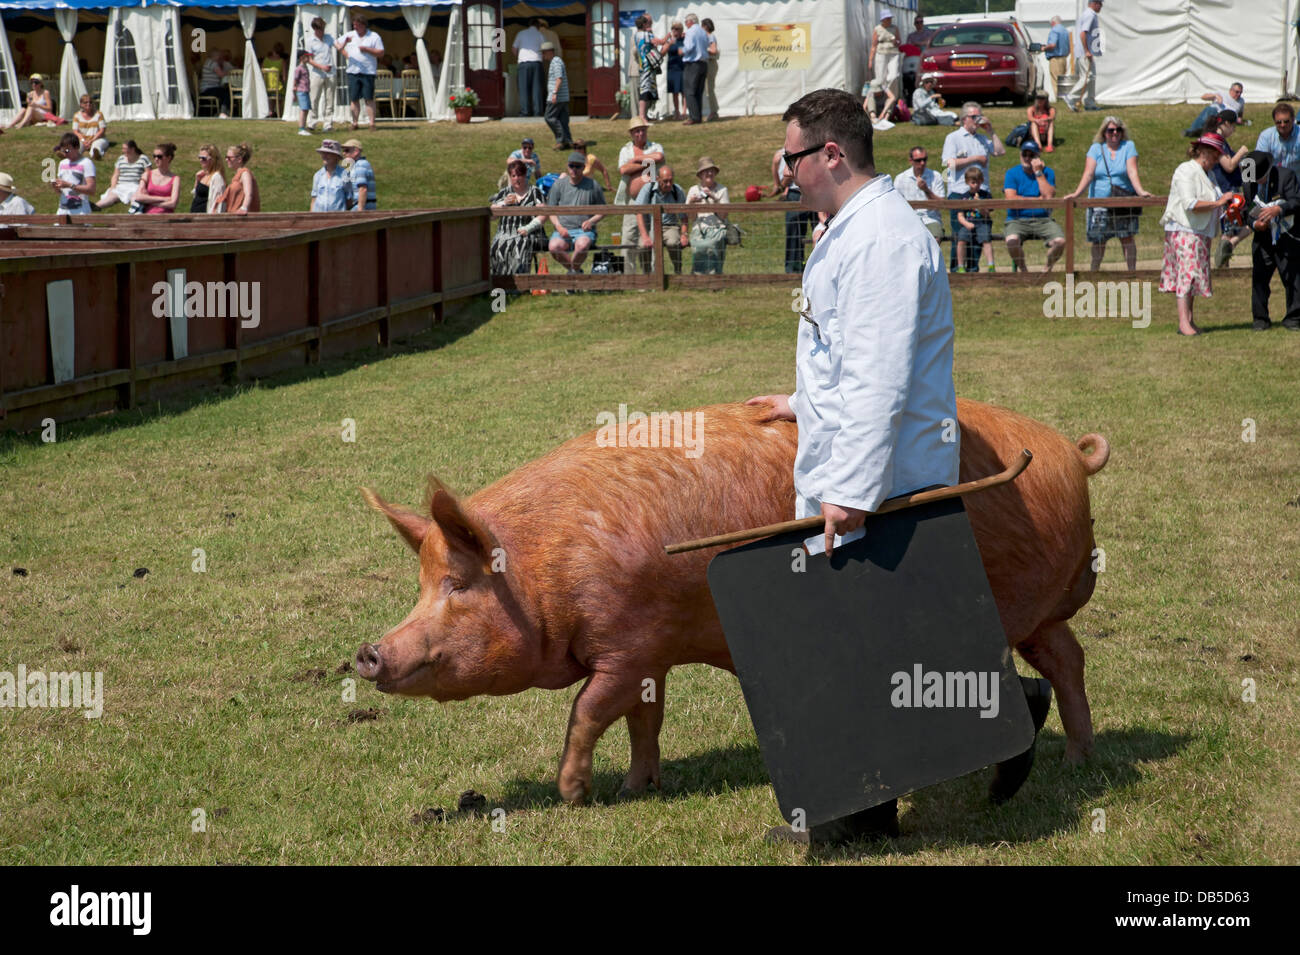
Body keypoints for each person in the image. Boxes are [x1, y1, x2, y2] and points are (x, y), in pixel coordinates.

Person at [745, 89, 964, 845]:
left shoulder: (881, 240)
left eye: (793, 156)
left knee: (851, 647)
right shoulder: (851, 228)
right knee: (880, 643)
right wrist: (802, 397)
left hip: (884, 479)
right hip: (866, 469)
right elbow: (845, 357)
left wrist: (850, 493)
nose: (787, 171)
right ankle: (1006, 708)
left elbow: (878, 377)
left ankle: (850, 814)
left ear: (830, 154)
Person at [1158, 138, 1233, 335]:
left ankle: (1189, 321)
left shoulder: (1209, 175)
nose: (1218, 159)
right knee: (1187, 274)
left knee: (1193, 276)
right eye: (1216, 154)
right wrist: (1218, 204)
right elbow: (1189, 203)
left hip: (1201, 231)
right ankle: (1183, 322)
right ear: (1204, 152)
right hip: (1184, 229)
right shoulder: (1185, 170)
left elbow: (1215, 197)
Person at [1064, 115, 1153, 271]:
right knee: (1098, 240)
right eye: (1111, 130)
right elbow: (1088, 173)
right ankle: (1094, 272)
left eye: (1118, 130)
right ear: (1104, 132)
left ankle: (1132, 272)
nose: (1114, 133)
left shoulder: (1128, 146)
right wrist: (1076, 194)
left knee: (1127, 237)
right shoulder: (1096, 148)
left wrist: (1140, 191)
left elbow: (1132, 171)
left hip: (1123, 200)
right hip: (1099, 202)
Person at [1241, 150, 1300, 331]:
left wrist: (1278, 209)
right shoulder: (1247, 180)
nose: (1258, 182)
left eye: (1261, 178)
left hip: (1286, 235)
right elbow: (1246, 209)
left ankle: (1294, 318)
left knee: (1293, 279)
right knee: (1259, 279)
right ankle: (1260, 320)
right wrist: (1254, 224)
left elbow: (1297, 201)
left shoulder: (1287, 176)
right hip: (1263, 238)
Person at [942, 103, 1005, 269]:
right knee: (960, 234)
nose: (977, 120)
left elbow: (1000, 152)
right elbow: (949, 164)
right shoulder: (953, 138)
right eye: (973, 117)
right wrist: (975, 159)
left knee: (980, 232)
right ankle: (957, 270)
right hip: (959, 192)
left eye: (979, 116)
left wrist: (990, 131)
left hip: (981, 192)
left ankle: (973, 270)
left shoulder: (983, 139)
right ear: (964, 119)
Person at [1003, 141, 1065, 272]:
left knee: (1060, 241)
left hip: (1043, 219)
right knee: (1011, 241)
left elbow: (1048, 197)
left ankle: (1046, 270)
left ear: (1037, 157)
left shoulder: (1047, 173)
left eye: (1031, 155)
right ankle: (1024, 271)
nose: (1027, 158)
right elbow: (1011, 198)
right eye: (1024, 154)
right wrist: (1037, 200)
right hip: (1017, 219)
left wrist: (1038, 173)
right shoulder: (1011, 173)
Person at [616, 118, 665, 274]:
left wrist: (637, 159)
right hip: (632, 201)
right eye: (636, 131)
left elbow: (659, 157)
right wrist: (647, 162)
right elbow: (623, 170)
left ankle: (651, 276)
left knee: (650, 237)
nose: (640, 133)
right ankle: (628, 277)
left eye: (643, 130)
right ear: (631, 133)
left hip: (653, 201)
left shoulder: (655, 146)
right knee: (628, 238)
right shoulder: (625, 150)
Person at [546, 150, 606, 274]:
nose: (574, 169)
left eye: (577, 166)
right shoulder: (558, 185)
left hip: (584, 231)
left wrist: (591, 221)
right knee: (553, 247)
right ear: (567, 166)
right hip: (563, 230)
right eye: (571, 166)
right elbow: (550, 210)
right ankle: (575, 272)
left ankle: (572, 274)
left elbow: (603, 210)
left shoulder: (593, 185)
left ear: (583, 167)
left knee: (582, 245)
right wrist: (559, 227)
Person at [490, 157, 548, 275]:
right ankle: (498, 283)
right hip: (504, 232)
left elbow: (543, 214)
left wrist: (529, 228)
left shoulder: (534, 192)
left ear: (525, 175)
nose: (516, 179)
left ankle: (519, 284)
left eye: (519, 175)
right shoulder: (504, 193)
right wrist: (503, 204)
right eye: (513, 176)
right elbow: (491, 215)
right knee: (496, 247)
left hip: (528, 233)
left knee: (518, 246)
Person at [768, 146, 816, 272]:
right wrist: (779, 185)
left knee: (819, 229)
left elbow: (789, 173)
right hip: (795, 192)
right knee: (794, 231)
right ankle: (793, 268)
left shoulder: (801, 148)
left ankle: (814, 267)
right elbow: (777, 177)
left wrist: (781, 187)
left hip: (809, 190)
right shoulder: (780, 153)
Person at [634, 164, 689, 274]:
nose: (668, 184)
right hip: (650, 225)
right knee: (642, 246)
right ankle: (647, 276)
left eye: (671, 181)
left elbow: (683, 217)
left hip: (670, 226)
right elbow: (638, 212)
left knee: (674, 243)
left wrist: (684, 234)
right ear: (657, 178)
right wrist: (645, 236)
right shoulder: (648, 189)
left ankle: (678, 272)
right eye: (665, 181)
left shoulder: (677, 191)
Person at [337, 13, 384, 132]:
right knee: (354, 99)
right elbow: (337, 44)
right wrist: (346, 53)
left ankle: (372, 124)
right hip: (353, 71)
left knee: (369, 98)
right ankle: (355, 123)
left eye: (357, 25)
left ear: (364, 25)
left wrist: (367, 49)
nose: (355, 28)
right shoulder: (350, 35)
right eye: (354, 25)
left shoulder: (374, 36)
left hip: (368, 71)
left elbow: (381, 53)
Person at [685, 156, 729, 273]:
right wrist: (691, 203)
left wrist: (714, 198)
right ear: (700, 175)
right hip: (698, 228)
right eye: (706, 171)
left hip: (717, 228)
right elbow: (691, 218)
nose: (709, 173)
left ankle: (714, 278)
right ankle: (699, 278)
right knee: (699, 245)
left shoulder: (722, 190)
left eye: (712, 170)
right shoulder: (693, 190)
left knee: (711, 244)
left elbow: (724, 216)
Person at [894, 145, 946, 243]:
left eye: (924, 159)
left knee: (935, 240)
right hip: (909, 220)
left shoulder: (936, 176)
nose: (922, 163)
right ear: (911, 161)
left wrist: (926, 190)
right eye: (918, 160)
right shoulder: (900, 179)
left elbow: (942, 204)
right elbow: (896, 204)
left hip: (930, 218)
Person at [1063, 0, 1103, 113]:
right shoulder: (1090, 15)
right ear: (1094, 3)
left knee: (1091, 77)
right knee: (1088, 76)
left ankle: (1090, 103)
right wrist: (1087, 51)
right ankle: (1071, 97)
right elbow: (1083, 33)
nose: (1101, 6)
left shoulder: (1087, 14)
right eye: (1100, 3)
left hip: (1083, 52)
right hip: (1085, 52)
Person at [953, 167, 995, 272]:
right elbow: (960, 215)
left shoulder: (986, 195)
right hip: (967, 222)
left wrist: (979, 205)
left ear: (982, 181)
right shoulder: (963, 197)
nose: (976, 185)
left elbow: (987, 214)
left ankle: (991, 265)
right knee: (961, 240)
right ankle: (961, 266)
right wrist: (966, 223)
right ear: (967, 182)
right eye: (973, 182)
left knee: (986, 239)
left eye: (978, 182)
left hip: (982, 222)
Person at [632, 15, 669, 126]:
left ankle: (643, 116)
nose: (649, 25)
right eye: (648, 23)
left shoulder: (636, 35)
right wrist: (669, 37)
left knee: (646, 91)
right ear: (644, 24)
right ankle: (642, 117)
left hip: (642, 65)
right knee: (645, 92)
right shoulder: (647, 35)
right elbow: (661, 42)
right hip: (648, 66)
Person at [97, 140, 151, 212]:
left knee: (135, 198)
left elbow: (149, 174)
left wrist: (144, 186)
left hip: (135, 185)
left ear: (132, 149)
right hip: (121, 185)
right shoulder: (121, 159)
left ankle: (135, 211)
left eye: (125, 149)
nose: (123, 151)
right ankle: (94, 206)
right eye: (123, 148)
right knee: (111, 197)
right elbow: (115, 175)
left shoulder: (143, 158)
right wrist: (113, 187)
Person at [868, 11, 902, 124]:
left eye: (890, 18)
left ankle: (891, 98)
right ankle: (878, 107)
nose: (889, 20)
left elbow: (899, 42)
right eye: (887, 18)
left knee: (893, 76)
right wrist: (870, 60)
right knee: (880, 78)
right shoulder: (877, 29)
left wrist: (895, 41)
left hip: (893, 53)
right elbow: (873, 45)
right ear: (882, 19)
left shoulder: (894, 28)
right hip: (881, 53)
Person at [50, 133, 96, 214]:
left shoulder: (86, 163)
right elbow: (60, 191)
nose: (65, 154)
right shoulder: (62, 163)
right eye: (63, 151)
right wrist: (55, 187)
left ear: (77, 148)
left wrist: (70, 185)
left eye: (67, 150)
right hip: (63, 211)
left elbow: (91, 190)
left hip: (81, 211)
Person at [305, 16, 335, 133]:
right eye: (319, 29)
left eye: (323, 29)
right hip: (317, 73)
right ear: (315, 29)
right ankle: (312, 123)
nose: (322, 31)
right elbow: (309, 59)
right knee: (314, 99)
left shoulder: (329, 38)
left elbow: (338, 46)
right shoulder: (309, 41)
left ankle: (328, 124)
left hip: (331, 73)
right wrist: (322, 67)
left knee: (330, 100)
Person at [542, 42, 573, 151]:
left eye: (544, 53)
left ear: (550, 52)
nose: (543, 55)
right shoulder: (557, 61)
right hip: (563, 97)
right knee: (563, 120)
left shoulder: (555, 62)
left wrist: (554, 93)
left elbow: (559, 78)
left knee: (549, 117)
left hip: (557, 97)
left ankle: (561, 140)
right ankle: (568, 141)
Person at [133, 142, 180, 215]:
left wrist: (151, 202)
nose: (156, 159)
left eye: (159, 156)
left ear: (169, 158)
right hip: (147, 216)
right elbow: (138, 197)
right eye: (154, 156)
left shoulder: (175, 179)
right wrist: (164, 199)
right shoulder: (147, 175)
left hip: (166, 217)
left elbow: (173, 203)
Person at [1255, 102, 1300, 174]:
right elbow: (1259, 162)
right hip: (1272, 181)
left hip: (1296, 182)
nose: (1282, 125)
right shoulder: (1266, 136)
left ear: (1293, 119)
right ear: (1274, 121)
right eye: (1279, 122)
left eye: (1286, 121)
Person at [512, 17, 545, 118]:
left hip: (524, 63)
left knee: (523, 89)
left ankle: (525, 112)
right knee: (537, 89)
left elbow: (513, 49)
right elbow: (545, 49)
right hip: (536, 62)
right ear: (538, 26)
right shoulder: (540, 35)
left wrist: (520, 57)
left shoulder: (521, 33)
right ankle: (538, 112)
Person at [681, 14, 709, 126]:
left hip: (693, 64)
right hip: (703, 63)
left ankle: (693, 117)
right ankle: (698, 116)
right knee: (698, 91)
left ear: (690, 22)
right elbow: (706, 44)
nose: (685, 24)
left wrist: (681, 50)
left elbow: (689, 47)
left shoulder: (690, 31)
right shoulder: (703, 31)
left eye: (686, 22)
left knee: (689, 91)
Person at [219, 142, 260, 215]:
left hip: (242, 218)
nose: (226, 160)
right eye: (226, 157)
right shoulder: (237, 175)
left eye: (229, 158)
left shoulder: (245, 173)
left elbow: (249, 194)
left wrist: (244, 208)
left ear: (239, 159)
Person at [310, 139, 349, 212]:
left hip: (337, 218)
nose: (324, 156)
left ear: (336, 156)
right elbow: (314, 199)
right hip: (319, 218)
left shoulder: (345, 175)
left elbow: (349, 199)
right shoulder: (318, 175)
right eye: (323, 153)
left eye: (328, 153)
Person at [190, 143, 226, 214]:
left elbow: (218, 202)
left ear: (213, 159)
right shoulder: (203, 175)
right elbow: (197, 196)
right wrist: (197, 180)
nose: (200, 160)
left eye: (204, 158)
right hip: (195, 216)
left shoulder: (217, 177)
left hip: (206, 217)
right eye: (199, 157)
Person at [342, 139, 376, 210]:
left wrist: (360, 213)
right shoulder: (356, 165)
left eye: (347, 150)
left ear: (356, 152)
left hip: (362, 208)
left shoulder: (360, 165)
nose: (344, 153)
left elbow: (363, 189)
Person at [71, 94, 108, 160]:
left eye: (90, 102)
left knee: (96, 146)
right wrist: (83, 140)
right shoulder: (77, 116)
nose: (88, 104)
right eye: (86, 102)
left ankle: (96, 154)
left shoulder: (99, 114)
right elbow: (75, 131)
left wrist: (92, 140)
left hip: (97, 138)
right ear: (81, 104)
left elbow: (102, 130)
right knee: (77, 147)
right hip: (83, 139)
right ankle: (67, 155)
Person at [199, 52, 232, 119]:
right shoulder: (212, 63)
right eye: (219, 57)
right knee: (226, 93)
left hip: (206, 89)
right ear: (215, 56)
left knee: (224, 92)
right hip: (208, 89)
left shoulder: (208, 62)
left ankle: (220, 112)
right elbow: (221, 74)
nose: (220, 59)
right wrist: (229, 72)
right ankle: (223, 113)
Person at [1044, 16, 1070, 99]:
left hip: (1055, 58)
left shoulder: (1054, 30)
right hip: (1064, 58)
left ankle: (1059, 98)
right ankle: (1064, 97)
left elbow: (1052, 45)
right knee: (1062, 80)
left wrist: (1043, 48)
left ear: (1052, 23)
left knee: (1056, 80)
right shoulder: (1065, 30)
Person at [665, 22, 685, 121]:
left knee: (683, 91)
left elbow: (682, 53)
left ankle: (685, 112)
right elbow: (662, 52)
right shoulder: (669, 41)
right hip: (672, 69)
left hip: (681, 68)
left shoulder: (684, 40)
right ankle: (677, 112)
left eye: (677, 29)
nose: (675, 31)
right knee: (674, 92)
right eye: (673, 29)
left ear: (681, 30)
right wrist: (669, 44)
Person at [702, 18, 720, 121]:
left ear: (705, 26)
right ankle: (713, 110)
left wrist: (703, 49)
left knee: (709, 89)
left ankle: (714, 111)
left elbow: (713, 50)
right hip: (708, 63)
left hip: (711, 63)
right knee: (708, 88)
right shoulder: (707, 37)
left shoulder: (710, 37)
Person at [291, 49, 312, 136]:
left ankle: (303, 126)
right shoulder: (298, 69)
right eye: (307, 56)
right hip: (301, 91)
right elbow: (295, 81)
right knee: (303, 110)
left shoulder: (305, 67)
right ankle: (301, 129)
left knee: (306, 109)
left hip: (306, 91)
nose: (309, 58)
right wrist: (294, 94)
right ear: (302, 58)